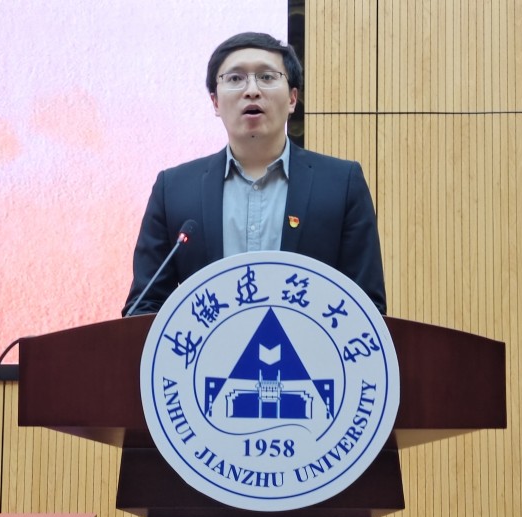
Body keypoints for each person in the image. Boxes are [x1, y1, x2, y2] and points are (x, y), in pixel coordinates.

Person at [123, 32, 386, 316]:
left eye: (267, 77)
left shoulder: (341, 184)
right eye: (235, 78)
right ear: (215, 102)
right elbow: (144, 308)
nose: (252, 90)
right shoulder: (174, 189)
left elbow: (367, 309)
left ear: (292, 99)